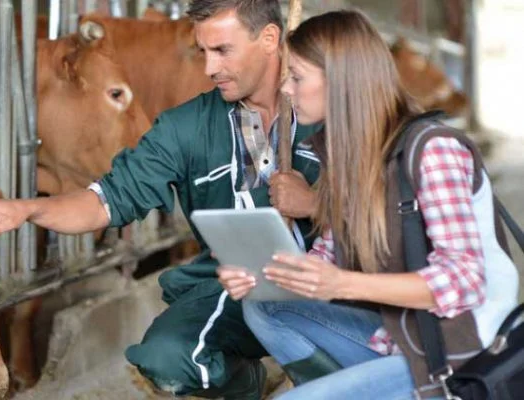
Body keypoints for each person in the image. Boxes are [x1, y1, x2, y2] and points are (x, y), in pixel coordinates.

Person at [0, 1, 324, 398]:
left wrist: (316, 206)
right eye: (204, 52)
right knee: (164, 359)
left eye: (223, 51)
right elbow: (105, 200)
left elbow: (390, 217)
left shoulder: (331, 108)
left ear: (269, 39)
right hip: (239, 288)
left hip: (337, 284)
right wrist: (26, 209)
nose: (209, 69)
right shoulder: (187, 127)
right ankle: (251, 383)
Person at [218, 10, 520, 400]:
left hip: (460, 356)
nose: (286, 90)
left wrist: (343, 283)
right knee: (266, 309)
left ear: (341, 82)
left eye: (297, 77)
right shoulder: (350, 158)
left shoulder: (432, 150)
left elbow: (463, 280)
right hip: (401, 338)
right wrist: (261, 277)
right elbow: (325, 261)